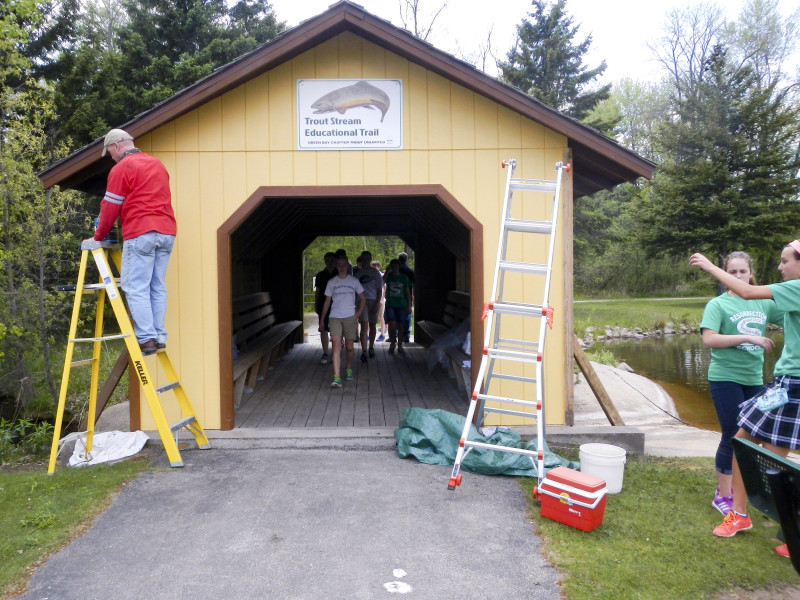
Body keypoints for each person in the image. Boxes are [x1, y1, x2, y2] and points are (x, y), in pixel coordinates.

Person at [690, 241, 800, 559]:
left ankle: (767, 521)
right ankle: (742, 513)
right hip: (783, 383)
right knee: (749, 442)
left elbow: (752, 294)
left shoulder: (795, 289)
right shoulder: (785, 291)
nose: (779, 267)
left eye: (784, 261)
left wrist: (710, 266)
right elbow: (711, 335)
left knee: (762, 448)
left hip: (793, 383)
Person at [698, 251, 782, 517]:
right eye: (732, 272)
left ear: (750, 273)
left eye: (742, 272)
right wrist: (747, 337)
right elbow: (709, 340)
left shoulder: (764, 303)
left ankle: (741, 490)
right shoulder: (717, 305)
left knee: (753, 437)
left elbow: (792, 318)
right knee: (733, 435)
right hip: (725, 378)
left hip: (754, 379)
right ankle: (723, 495)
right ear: (725, 274)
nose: (737, 276)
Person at [86, 129, 176, 356]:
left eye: (110, 153)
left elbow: (110, 207)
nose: (111, 158)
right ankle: (159, 336)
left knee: (135, 287)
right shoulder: (157, 165)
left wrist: (98, 236)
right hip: (166, 231)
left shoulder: (122, 168)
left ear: (116, 146)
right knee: (156, 285)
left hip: (141, 232)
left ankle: (146, 339)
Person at [321, 255, 366, 388]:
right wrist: (322, 320)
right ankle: (337, 377)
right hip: (335, 317)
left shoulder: (354, 281)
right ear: (336, 266)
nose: (341, 267)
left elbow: (362, 298)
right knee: (336, 346)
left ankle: (348, 367)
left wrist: (357, 314)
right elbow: (327, 301)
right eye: (339, 264)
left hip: (350, 317)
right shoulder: (332, 282)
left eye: (344, 264)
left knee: (349, 347)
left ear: (347, 266)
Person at [354, 252, 384, 362]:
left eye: (368, 259)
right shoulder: (357, 274)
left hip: (373, 300)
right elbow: (354, 290)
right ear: (361, 260)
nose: (366, 260)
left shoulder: (375, 273)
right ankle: (364, 351)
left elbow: (379, 290)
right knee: (364, 325)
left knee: (372, 325)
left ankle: (371, 347)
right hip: (361, 302)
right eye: (364, 259)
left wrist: (377, 303)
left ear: (370, 259)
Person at [384, 259, 411, 355]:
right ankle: (392, 344)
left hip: (401, 305)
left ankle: (400, 346)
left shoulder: (404, 277)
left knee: (400, 325)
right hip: (390, 304)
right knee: (392, 325)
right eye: (393, 267)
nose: (395, 268)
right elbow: (382, 281)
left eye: (396, 266)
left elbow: (407, 292)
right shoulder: (389, 277)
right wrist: (387, 271)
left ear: (399, 267)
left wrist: (409, 305)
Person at [314, 252, 337, 365]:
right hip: (323, 304)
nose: (330, 262)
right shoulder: (320, 275)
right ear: (324, 261)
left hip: (337, 305)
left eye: (332, 260)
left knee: (335, 330)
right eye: (327, 260)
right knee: (323, 329)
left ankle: (335, 353)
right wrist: (316, 303)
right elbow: (318, 291)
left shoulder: (339, 274)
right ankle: (325, 353)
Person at [397, 252, 415, 343]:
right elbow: (414, 283)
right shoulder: (410, 270)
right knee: (407, 316)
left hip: (397, 294)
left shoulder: (397, 269)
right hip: (408, 294)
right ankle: (406, 335)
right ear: (406, 259)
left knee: (397, 315)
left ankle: (396, 334)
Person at [372, 260, 387, 341]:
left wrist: (381, 299)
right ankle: (368, 334)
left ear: (378, 267)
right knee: (370, 317)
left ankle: (382, 334)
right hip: (372, 299)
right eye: (372, 267)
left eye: (375, 267)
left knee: (381, 317)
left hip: (381, 300)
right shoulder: (370, 276)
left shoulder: (382, 276)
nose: (373, 269)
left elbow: (384, 289)